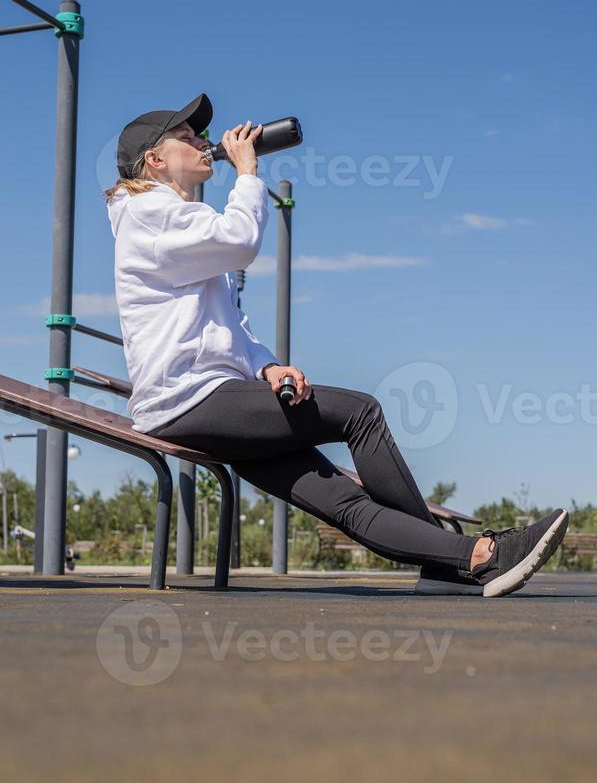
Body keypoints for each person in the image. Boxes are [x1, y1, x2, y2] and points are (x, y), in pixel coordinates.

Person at [105, 92, 568, 597]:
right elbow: (242, 240)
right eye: (187, 136)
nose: (203, 142)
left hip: (215, 400)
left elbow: (231, 328)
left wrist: (267, 369)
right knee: (360, 413)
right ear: (154, 159)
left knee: (342, 501)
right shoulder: (149, 211)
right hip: (191, 399)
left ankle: (456, 564)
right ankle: (473, 560)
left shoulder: (179, 222)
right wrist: (247, 172)